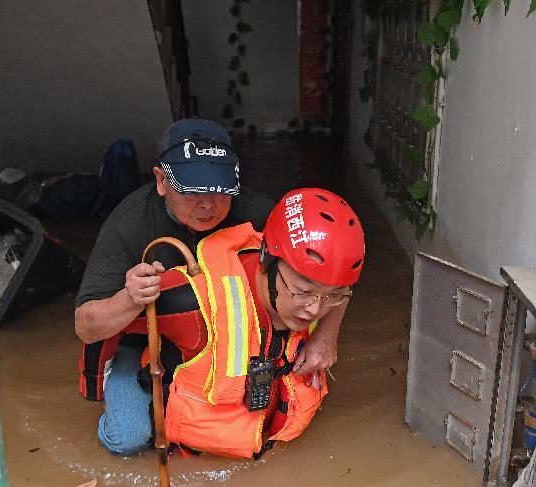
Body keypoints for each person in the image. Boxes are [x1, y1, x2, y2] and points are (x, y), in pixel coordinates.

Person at [75, 119, 352, 454]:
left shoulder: (258, 213)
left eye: (220, 190)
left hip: (223, 331)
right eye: (192, 192)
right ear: (161, 180)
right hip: (142, 336)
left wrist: (327, 334)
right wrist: (130, 298)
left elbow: (334, 268)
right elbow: (86, 326)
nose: (208, 205)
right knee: (128, 440)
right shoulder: (129, 225)